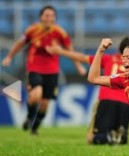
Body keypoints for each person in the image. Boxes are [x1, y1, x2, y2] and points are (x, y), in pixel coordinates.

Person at [1, 5, 86, 135]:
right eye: (46, 15)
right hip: (34, 68)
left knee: (45, 103)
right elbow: (20, 43)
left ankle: (35, 127)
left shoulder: (60, 33)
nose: (49, 18)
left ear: (55, 18)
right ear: (41, 17)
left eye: (52, 16)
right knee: (36, 95)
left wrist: (78, 66)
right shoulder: (32, 30)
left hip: (52, 71)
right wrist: (9, 57)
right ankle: (29, 118)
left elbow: (70, 51)